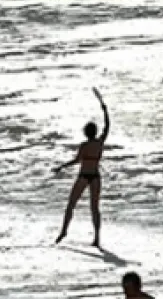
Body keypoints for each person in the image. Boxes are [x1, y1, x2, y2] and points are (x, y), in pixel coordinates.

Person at [55, 88, 110, 248]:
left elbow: (77, 160)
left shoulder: (84, 146)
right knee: (95, 208)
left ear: (86, 133)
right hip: (96, 177)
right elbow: (107, 126)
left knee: (71, 204)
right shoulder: (100, 143)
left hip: (84, 176)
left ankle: (64, 231)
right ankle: (97, 238)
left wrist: (61, 166)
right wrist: (105, 110)